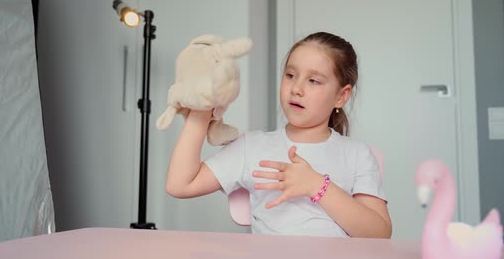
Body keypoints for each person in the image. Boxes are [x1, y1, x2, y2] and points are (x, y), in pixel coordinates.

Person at [165, 32, 392, 238]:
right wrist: (202, 107)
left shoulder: (357, 154)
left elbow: (379, 234)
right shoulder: (252, 146)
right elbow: (180, 185)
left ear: (341, 96)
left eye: (313, 80)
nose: (296, 88)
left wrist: (317, 186)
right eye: (291, 75)